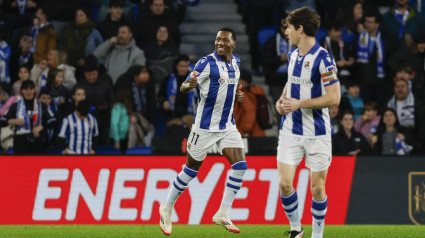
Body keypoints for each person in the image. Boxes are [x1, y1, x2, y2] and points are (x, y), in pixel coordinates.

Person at [159, 27, 246, 235]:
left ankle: (222, 213)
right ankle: (167, 206)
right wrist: (189, 84)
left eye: (225, 40)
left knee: (240, 166)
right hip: (204, 128)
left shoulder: (236, 62)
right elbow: (183, 86)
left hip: (227, 126)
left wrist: (237, 97)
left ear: (233, 44)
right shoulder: (206, 63)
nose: (220, 43)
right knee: (190, 171)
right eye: (217, 40)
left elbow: (229, 88)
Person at [275, 7, 341, 238]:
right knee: (284, 184)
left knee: (318, 188)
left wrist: (300, 104)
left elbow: (335, 97)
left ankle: (317, 235)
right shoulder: (293, 55)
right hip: (291, 130)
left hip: (318, 132)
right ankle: (296, 229)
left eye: (289, 28)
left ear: (300, 29)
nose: (286, 32)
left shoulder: (324, 58)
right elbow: (292, 82)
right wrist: (282, 99)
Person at [0, 80, 56, 154]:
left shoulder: (41, 106)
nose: (28, 91)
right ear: (22, 91)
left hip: (38, 142)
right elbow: (2, 121)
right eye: (26, 89)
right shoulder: (15, 106)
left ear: (34, 90)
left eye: (31, 89)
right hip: (20, 143)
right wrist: (14, 121)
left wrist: (41, 127)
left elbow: (53, 121)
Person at [77, 55, 114, 146]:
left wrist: (106, 107)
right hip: (86, 122)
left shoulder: (106, 81)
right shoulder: (80, 84)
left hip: (105, 121)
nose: (92, 77)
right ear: (85, 73)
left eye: (94, 74)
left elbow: (113, 101)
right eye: (89, 75)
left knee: (106, 146)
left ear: (97, 72)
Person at [157, 55, 195, 119]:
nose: (183, 69)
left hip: (190, 113)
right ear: (176, 66)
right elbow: (160, 95)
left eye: (185, 66)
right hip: (172, 113)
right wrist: (164, 102)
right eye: (181, 66)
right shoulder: (168, 79)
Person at [233, 69, 266, 137]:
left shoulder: (243, 94)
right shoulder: (251, 92)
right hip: (255, 132)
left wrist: (246, 130)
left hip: (248, 134)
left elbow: (250, 111)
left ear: (244, 81)